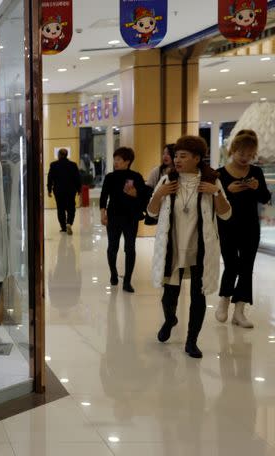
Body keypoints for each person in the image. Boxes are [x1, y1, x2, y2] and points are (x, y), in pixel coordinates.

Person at [147, 135, 232, 358]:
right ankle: (170, 319)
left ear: (196, 158)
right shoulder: (168, 181)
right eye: (175, 155)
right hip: (173, 248)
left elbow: (225, 214)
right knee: (169, 296)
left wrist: (215, 192)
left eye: (183, 156)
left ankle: (192, 341)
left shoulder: (212, 180)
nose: (177, 159)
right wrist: (159, 194)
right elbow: (151, 212)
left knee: (198, 295)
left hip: (200, 250)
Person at [215, 130, 272, 328]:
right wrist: (228, 192)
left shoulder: (256, 172)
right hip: (227, 226)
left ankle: (239, 310)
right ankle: (224, 299)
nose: (246, 158)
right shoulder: (220, 174)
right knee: (232, 265)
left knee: (247, 267)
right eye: (242, 154)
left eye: (250, 155)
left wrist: (257, 188)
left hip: (250, 226)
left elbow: (265, 198)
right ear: (233, 151)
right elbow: (214, 204)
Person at [100, 147, 147, 293]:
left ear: (127, 161)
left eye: (119, 159)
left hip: (131, 216)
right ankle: (113, 273)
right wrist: (103, 213)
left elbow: (144, 196)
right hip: (113, 216)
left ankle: (127, 281)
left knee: (130, 248)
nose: (115, 162)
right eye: (115, 159)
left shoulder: (136, 176)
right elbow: (103, 196)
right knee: (112, 247)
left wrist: (135, 194)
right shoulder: (110, 177)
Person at [47, 148, 81, 235]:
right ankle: (69, 222)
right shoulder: (73, 165)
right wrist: (79, 189)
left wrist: (49, 190)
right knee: (71, 207)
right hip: (70, 190)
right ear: (66, 155)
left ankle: (63, 227)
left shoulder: (53, 165)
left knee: (60, 208)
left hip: (58, 190)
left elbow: (50, 178)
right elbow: (77, 178)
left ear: (59, 155)